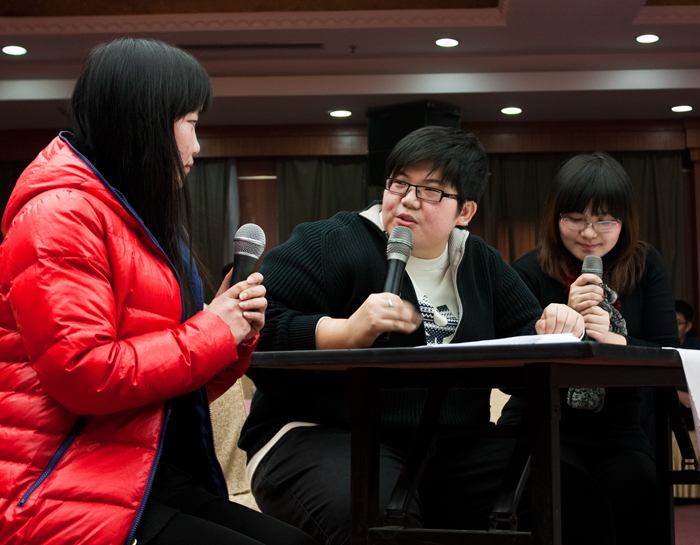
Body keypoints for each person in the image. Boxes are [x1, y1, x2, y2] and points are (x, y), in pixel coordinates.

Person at [0, 38, 316, 545]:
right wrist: (213, 329)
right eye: (190, 123)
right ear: (144, 122)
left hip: (135, 472)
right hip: (61, 485)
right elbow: (84, 374)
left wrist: (232, 333)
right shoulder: (59, 215)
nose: (197, 146)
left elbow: (172, 392)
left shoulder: (133, 217)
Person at [239, 125, 585, 545]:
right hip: (319, 433)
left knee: (569, 492)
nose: (407, 199)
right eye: (399, 183)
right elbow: (257, 328)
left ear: (465, 212)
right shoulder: (329, 242)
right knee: (375, 516)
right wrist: (345, 332)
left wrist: (555, 325)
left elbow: (526, 343)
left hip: (448, 446)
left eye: (431, 191)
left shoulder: (480, 261)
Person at [499, 152, 680, 545]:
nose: (589, 233)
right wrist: (556, 329)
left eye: (605, 220)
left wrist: (615, 341)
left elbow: (669, 355)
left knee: (640, 488)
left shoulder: (645, 265)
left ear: (624, 221)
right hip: (543, 426)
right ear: (555, 217)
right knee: (570, 496)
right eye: (575, 218)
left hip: (619, 430)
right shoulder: (528, 270)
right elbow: (509, 371)